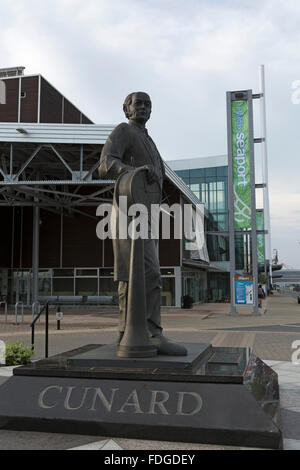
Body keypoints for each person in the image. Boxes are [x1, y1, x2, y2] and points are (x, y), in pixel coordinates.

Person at [98, 92, 187, 356]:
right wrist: (131, 171)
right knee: (140, 273)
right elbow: (105, 164)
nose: (144, 107)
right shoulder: (124, 131)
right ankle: (150, 332)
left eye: (148, 104)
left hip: (146, 214)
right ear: (126, 108)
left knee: (140, 274)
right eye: (138, 103)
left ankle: (128, 330)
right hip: (128, 210)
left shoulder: (148, 139)